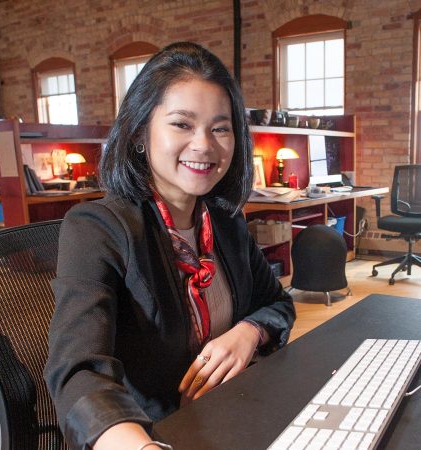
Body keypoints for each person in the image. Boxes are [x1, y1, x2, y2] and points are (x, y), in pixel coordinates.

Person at [45, 41, 296, 450]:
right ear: (141, 131)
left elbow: (279, 304)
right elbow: (78, 370)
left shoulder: (225, 220)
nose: (204, 145)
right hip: (153, 431)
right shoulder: (97, 228)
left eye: (220, 128)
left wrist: (248, 332)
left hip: (234, 411)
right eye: (182, 124)